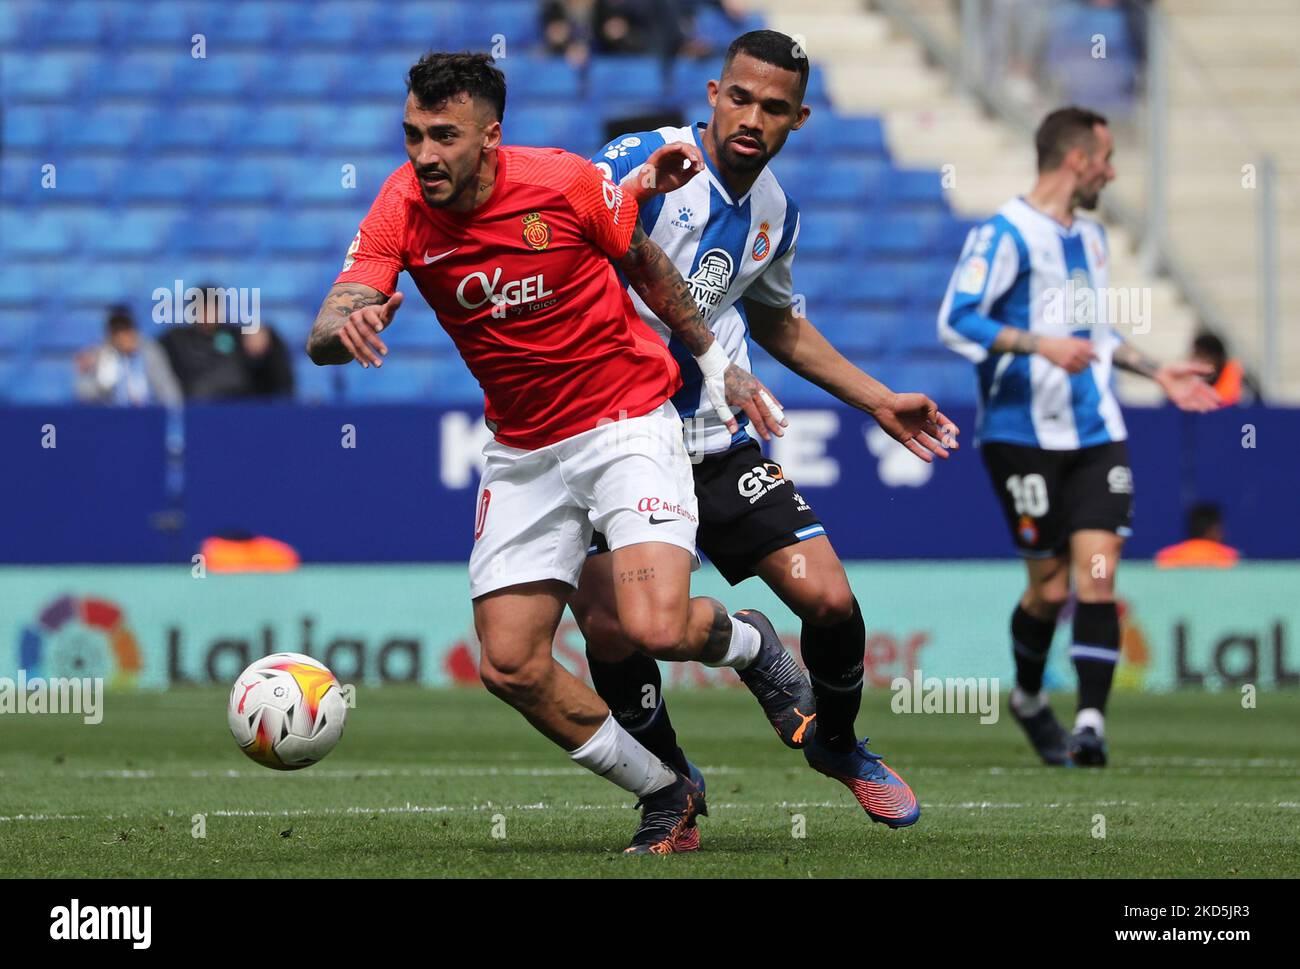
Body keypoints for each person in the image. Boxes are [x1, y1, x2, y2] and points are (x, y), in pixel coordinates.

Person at [306, 52, 812, 855]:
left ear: (491, 137)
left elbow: (644, 262)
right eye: (413, 135)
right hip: (524, 446)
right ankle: (665, 790)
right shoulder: (400, 205)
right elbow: (330, 321)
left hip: (626, 422)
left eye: (444, 136)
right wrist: (346, 327)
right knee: (508, 663)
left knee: (655, 625)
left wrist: (715, 361)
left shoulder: (563, 181)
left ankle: (750, 642)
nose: (424, 155)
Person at [577, 29, 957, 837]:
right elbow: (571, 232)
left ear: (799, 119)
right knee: (613, 624)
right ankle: (673, 785)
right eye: (740, 97)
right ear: (713, 95)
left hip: (712, 436)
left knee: (827, 596)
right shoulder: (642, 162)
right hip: (611, 436)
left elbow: (779, 322)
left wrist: (878, 400)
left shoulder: (776, 211)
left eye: (774, 107)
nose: (753, 117)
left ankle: (839, 744)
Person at [938, 105, 1221, 767]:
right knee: (1050, 589)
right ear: (1077, 159)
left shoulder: (1090, 238)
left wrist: (1158, 370)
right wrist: (1038, 344)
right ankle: (1031, 699)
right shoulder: (1004, 233)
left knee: (1097, 576)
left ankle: (1091, 722)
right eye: (1106, 158)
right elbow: (957, 320)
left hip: (1097, 431)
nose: (1112, 171)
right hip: (1020, 435)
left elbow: (1093, 336)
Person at [158, 284, 255, 399]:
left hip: (237, 404)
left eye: (214, 307)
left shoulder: (237, 335)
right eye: (204, 307)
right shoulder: (176, 340)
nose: (209, 313)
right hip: (196, 406)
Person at [75, 305, 183, 407]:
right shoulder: (99, 354)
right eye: (116, 331)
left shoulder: (150, 352)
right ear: (110, 334)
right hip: (111, 418)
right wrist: (102, 383)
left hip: (148, 416)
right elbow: (83, 394)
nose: (122, 336)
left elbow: (171, 394)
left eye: (126, 329)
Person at [1155, 503, 1239, 568]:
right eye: (1220, 529)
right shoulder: (1229, 557)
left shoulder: (1166, 557)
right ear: (1213, 530)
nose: (1222, 533)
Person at [1190, 332, 1252, 406]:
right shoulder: (1193, 381)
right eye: (1196, 355)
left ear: (1218, 357)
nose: (1198, 361)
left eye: (1203, 355)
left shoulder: (1241, 383)